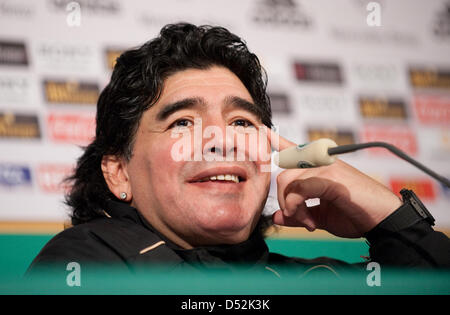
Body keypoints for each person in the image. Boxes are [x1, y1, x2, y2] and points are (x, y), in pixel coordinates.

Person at [28, 23, 450, 278]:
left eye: (242, 123)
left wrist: (391, 222)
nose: (224, 139)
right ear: (119, 173)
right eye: (183, 122)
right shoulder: (82, 263)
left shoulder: (310, 278)